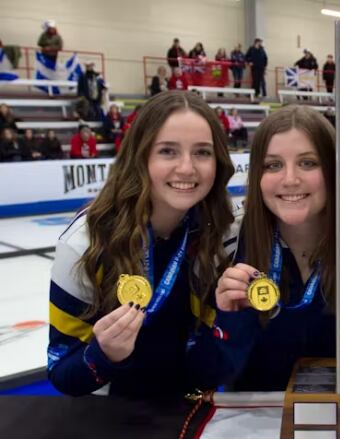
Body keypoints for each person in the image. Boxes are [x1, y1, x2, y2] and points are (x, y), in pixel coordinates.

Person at [47, 90, 246, 397]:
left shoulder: (224, 230)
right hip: (112, 419)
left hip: (191, 411)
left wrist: (231, 320)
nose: (186, 168)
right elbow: (62, 373)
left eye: (202, 152)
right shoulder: (86, 242)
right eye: (168, 151)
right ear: (141, 156)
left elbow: (213, 370)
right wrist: (103, 355)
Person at [213, 105, 336, 390]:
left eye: (308, 163)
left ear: (332, 169)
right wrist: (229, 322)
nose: (290, 179)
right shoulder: (226, 248)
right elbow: (211, 373)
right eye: (273, 165)